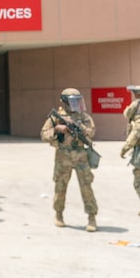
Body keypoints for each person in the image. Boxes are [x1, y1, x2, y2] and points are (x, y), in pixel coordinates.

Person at [40, 88, 99, 232]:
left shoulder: (84, 117)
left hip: (80, 156)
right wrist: (57, 129)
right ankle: (59, 214)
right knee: (60, 187)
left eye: (77, 101)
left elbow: (92, 133)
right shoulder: (56, 117)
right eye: (72, 101)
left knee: (86, 187)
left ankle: (92, 217)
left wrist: (80, 127)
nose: (75, 104)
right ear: (65, 102)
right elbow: (43, 135)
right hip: (63, 155)